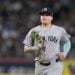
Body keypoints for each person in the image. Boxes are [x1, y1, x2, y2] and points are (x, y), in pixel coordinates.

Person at [23, 7, 71, 75]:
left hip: (54, 65)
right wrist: (36, 47)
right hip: (39, 66)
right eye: (42, 15)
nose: (44, 17)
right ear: (40, 17)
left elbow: (67, 42)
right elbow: (25, 49)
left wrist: (64, 53)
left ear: (51, 18)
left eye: (47, 15)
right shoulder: (34, 31)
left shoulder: (59, 30)